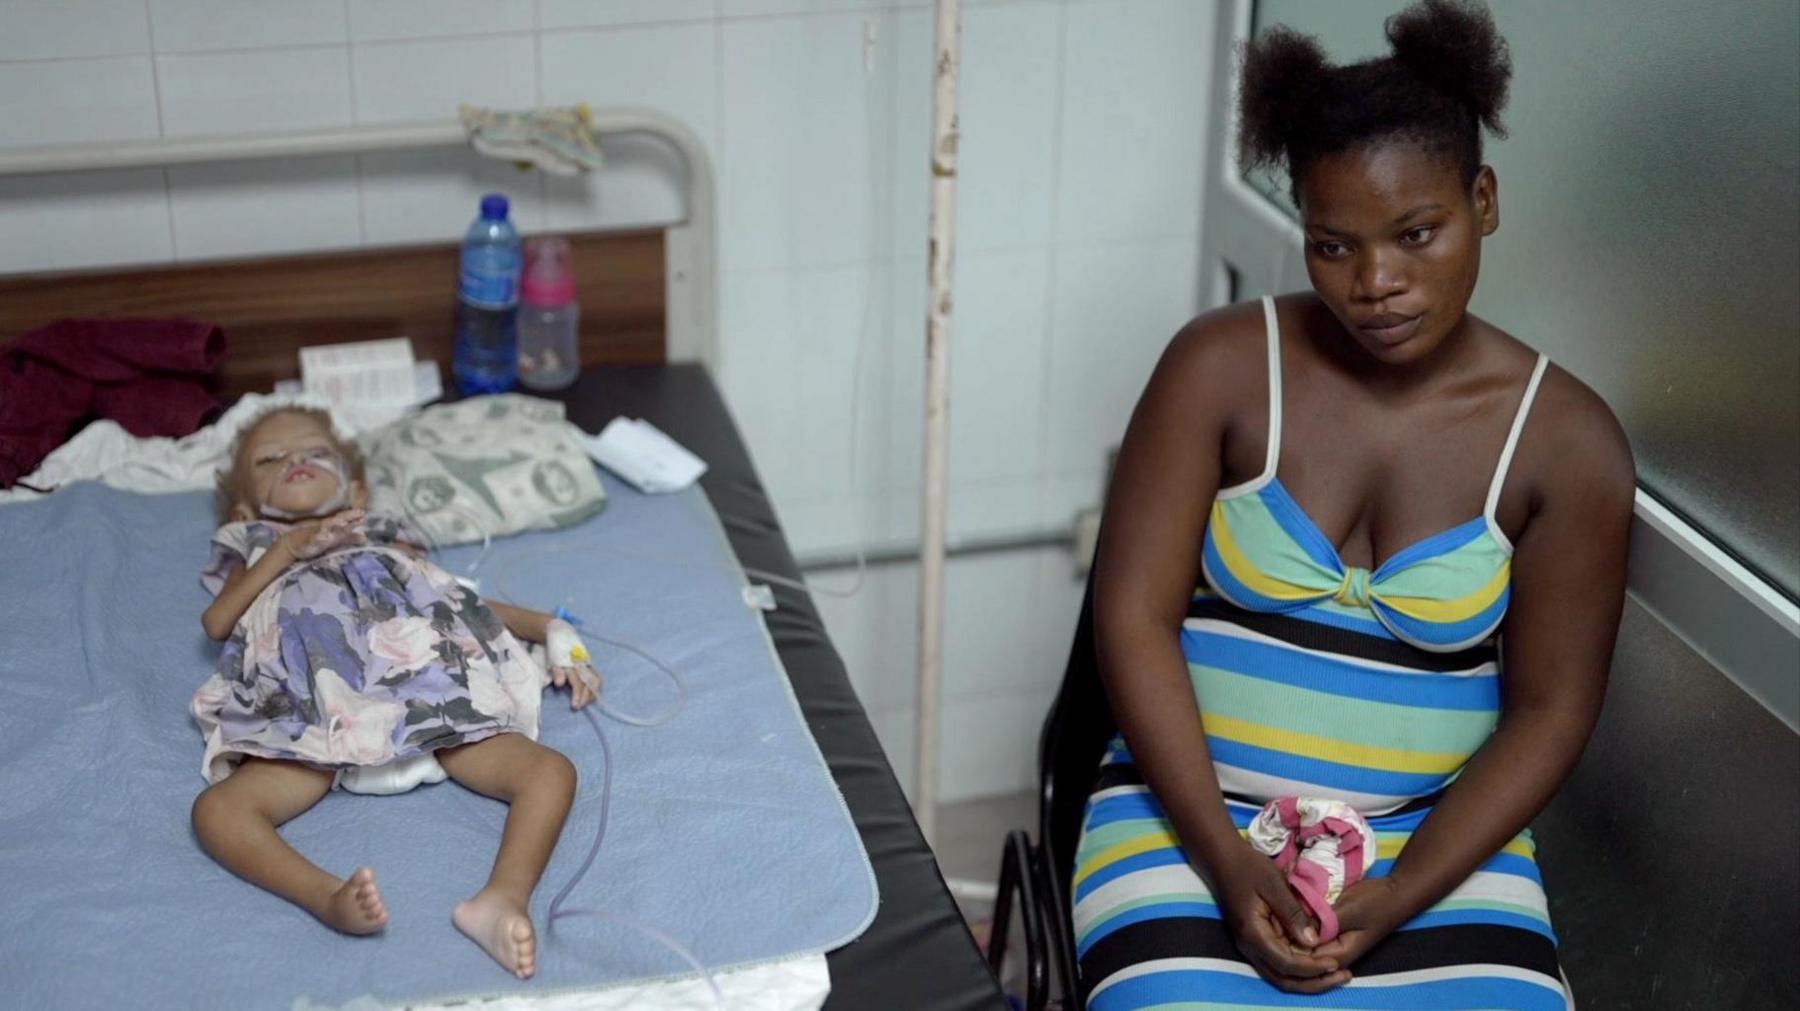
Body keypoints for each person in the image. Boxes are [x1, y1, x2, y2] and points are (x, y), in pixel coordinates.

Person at [1074, 2, 1634, 1007]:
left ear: (1485, 200)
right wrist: (1230, 867)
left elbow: (1552, 710)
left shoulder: (1566, 441)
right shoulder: (1222, 369)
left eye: (1417, 233)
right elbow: (1132, 618)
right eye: (1334, 247)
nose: (1378, 282)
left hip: (1435, 835)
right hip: (1190, 812)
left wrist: (1397, 895)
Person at [189, 406, 600, 980]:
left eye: (312, 452)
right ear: (243, 506)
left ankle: (503, 898)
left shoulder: (383, 540)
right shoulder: (257, 546)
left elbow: (459, 601)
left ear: (356, 488)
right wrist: (287, 550)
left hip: (431, 697)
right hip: (314, 714)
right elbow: (218, 622)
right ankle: (325, 897)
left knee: (550, 771)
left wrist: (559, 635)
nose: (295, 462)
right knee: (218, 811)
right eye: (271, 459)